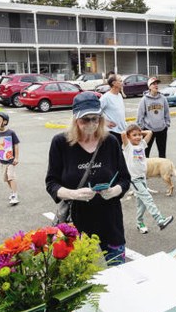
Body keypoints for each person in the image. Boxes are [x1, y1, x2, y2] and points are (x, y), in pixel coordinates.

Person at [46, 91, 131, 264]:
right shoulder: (61, 143)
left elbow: (125, 178)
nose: (91, 124)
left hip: (110, 219)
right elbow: (51, 183)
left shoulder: (110, 142)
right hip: (76, 220)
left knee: (118, 270)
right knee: (80, 276)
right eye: (86, 119)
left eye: (96, 118)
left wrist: (115, 191)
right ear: (75, 119)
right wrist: (73, 194)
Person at [122, 123, 174, 234]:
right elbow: (123, 134)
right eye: (134, 135)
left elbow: (150, 132)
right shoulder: (128, 148)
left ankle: (139, 222)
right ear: (129, 136)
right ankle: (160, 220)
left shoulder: (141, 145)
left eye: (139, 134)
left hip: (143, 178)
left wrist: (139, 132)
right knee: (148, 198)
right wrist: (129, 131)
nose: (138, 137)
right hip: (134, 179)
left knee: (141, 203)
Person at [0, 111, 20, 205]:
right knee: (6, 178)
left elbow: (16, 145)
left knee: (11, 176)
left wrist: (16, 158)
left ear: (5, 122)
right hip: (2, 160)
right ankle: (13, 191)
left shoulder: (10, 132)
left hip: (11, 159)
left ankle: (15, 195)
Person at [137, 77, 170, 157]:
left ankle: (162, 169)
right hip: (149, 130)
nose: (156, 86)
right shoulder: (144, 99)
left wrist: (167, 124)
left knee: (162, 153)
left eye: (157, 84)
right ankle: (146, 169)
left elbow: (166, 112)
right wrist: (141, 127)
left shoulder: (163, 98)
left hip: (162, 129)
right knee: (146, 152)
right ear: (149, 86)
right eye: (153, 84)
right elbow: (140, 115)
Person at [99, 73, 127, 144]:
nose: (122, 82)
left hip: (122, 131)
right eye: (120, 81)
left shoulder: (119, 95)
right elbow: (96, 112)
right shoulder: (106, 97)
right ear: (114, 83)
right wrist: (105, 122)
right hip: (112, 132)